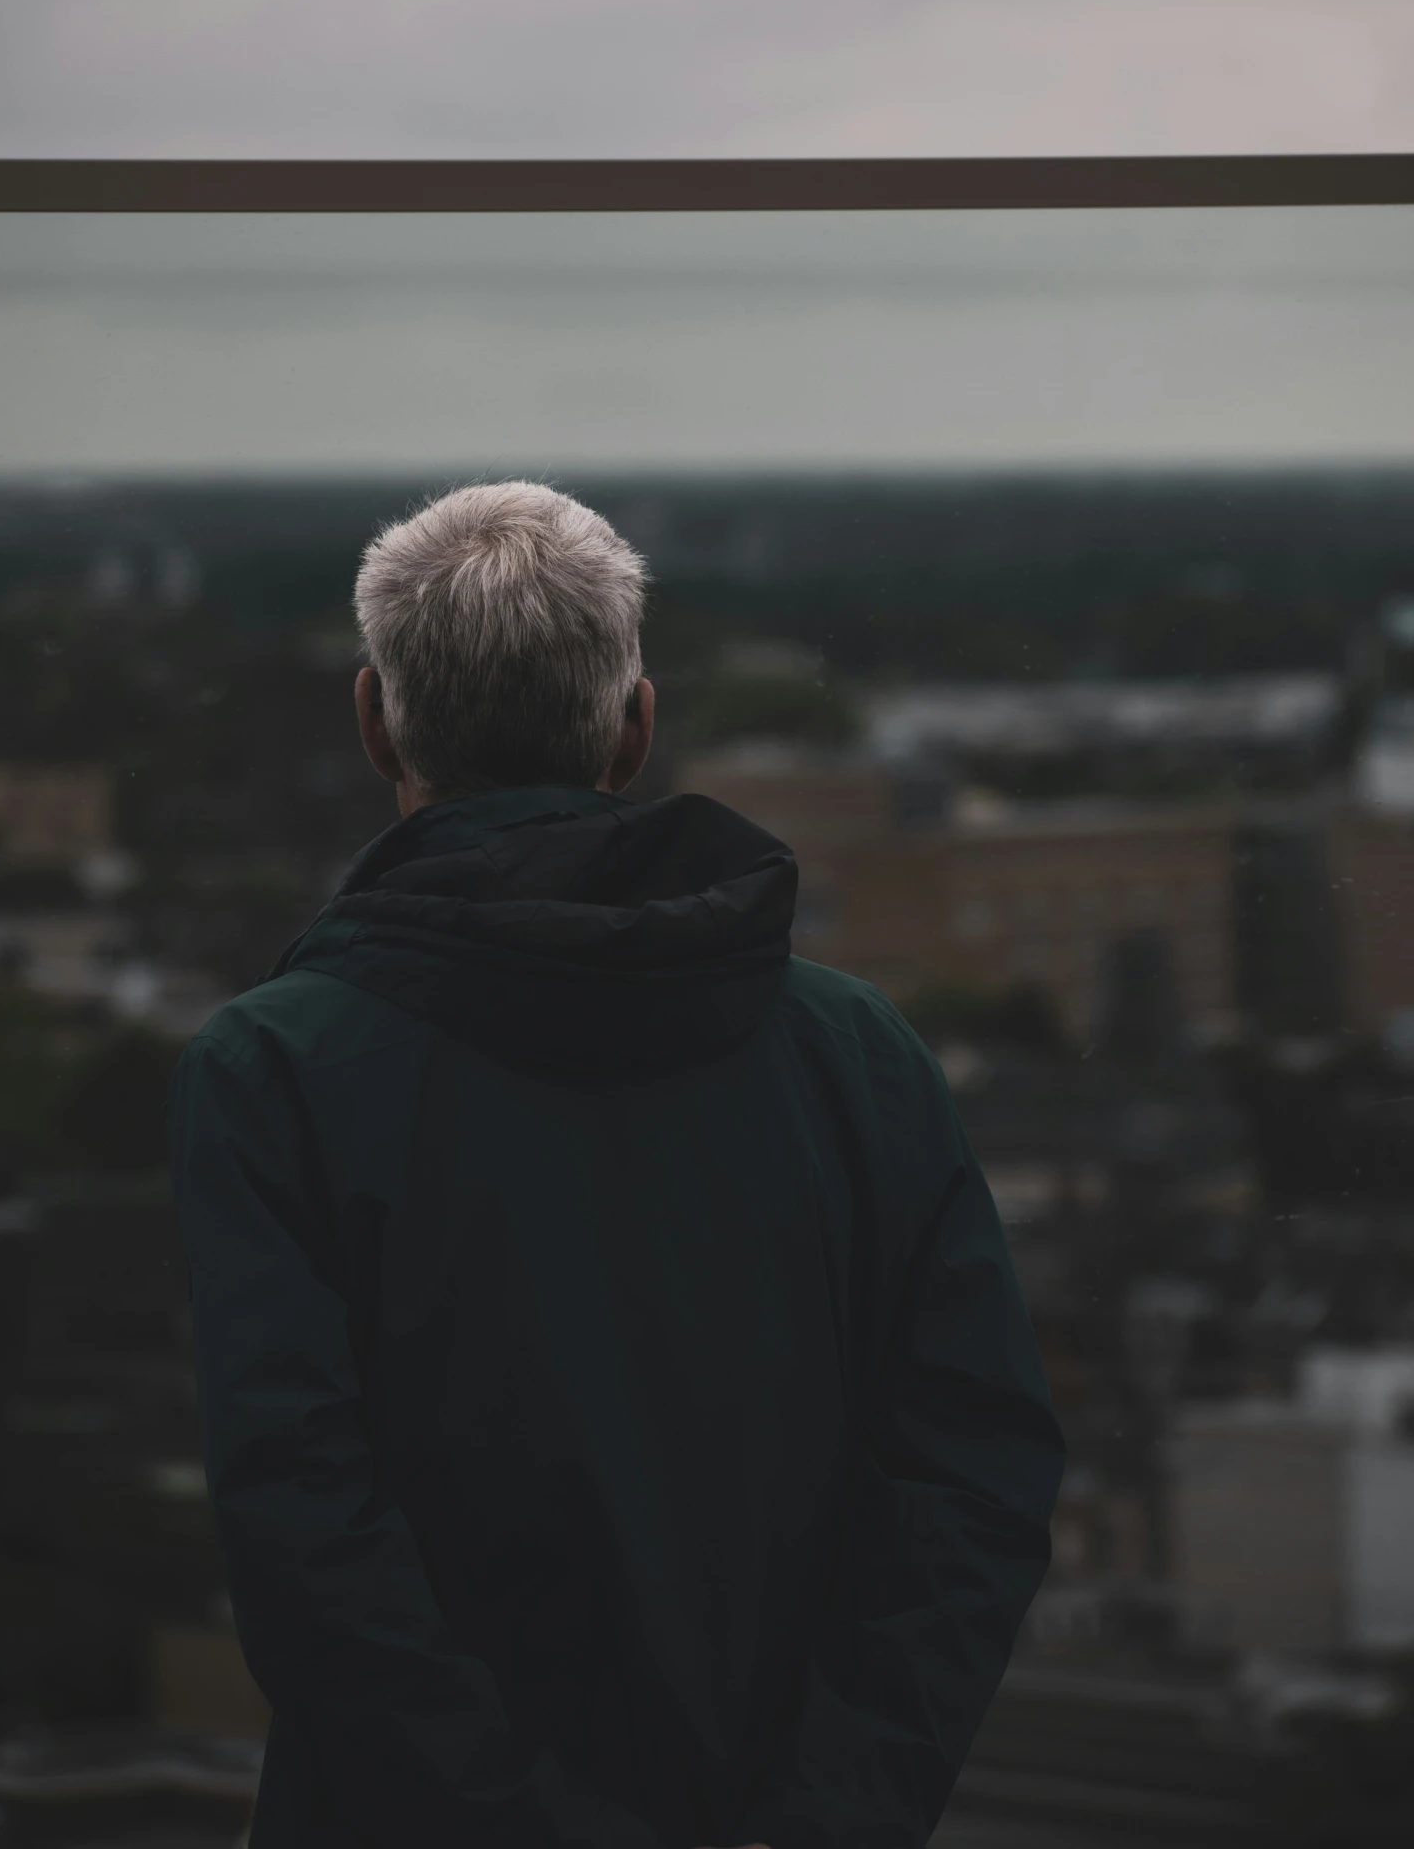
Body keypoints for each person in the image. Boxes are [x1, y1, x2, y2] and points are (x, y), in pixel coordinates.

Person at [169, 481, 1064, 1849]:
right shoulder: (857, 1057)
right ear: (634, 725)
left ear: (371, 719)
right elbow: (969, 1479)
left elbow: (305, 1541)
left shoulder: (273, 1071)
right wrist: (826, 1817)